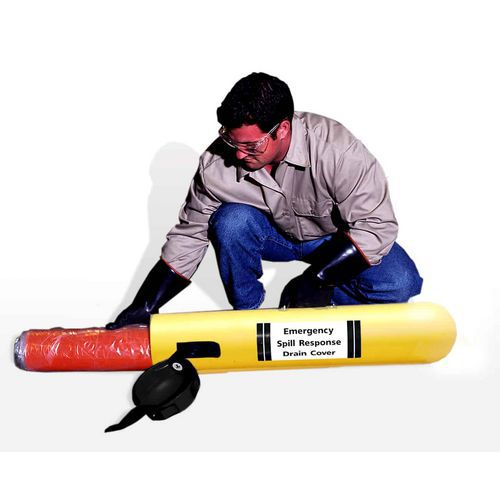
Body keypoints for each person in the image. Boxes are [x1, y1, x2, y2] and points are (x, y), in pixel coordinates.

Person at [106, 72, 423, 330]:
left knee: (400, 283)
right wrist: (145, 304)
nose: (238, 155)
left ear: (282, 129)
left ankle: (316, 300)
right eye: (232, 141)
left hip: (333, 240)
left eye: (252, 146)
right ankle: (249, 314)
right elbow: (190, 235)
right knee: (230, 222)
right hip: (272, 238)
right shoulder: (216, 165)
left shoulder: (337, 151)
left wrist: (319, 278)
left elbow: (376, 226)